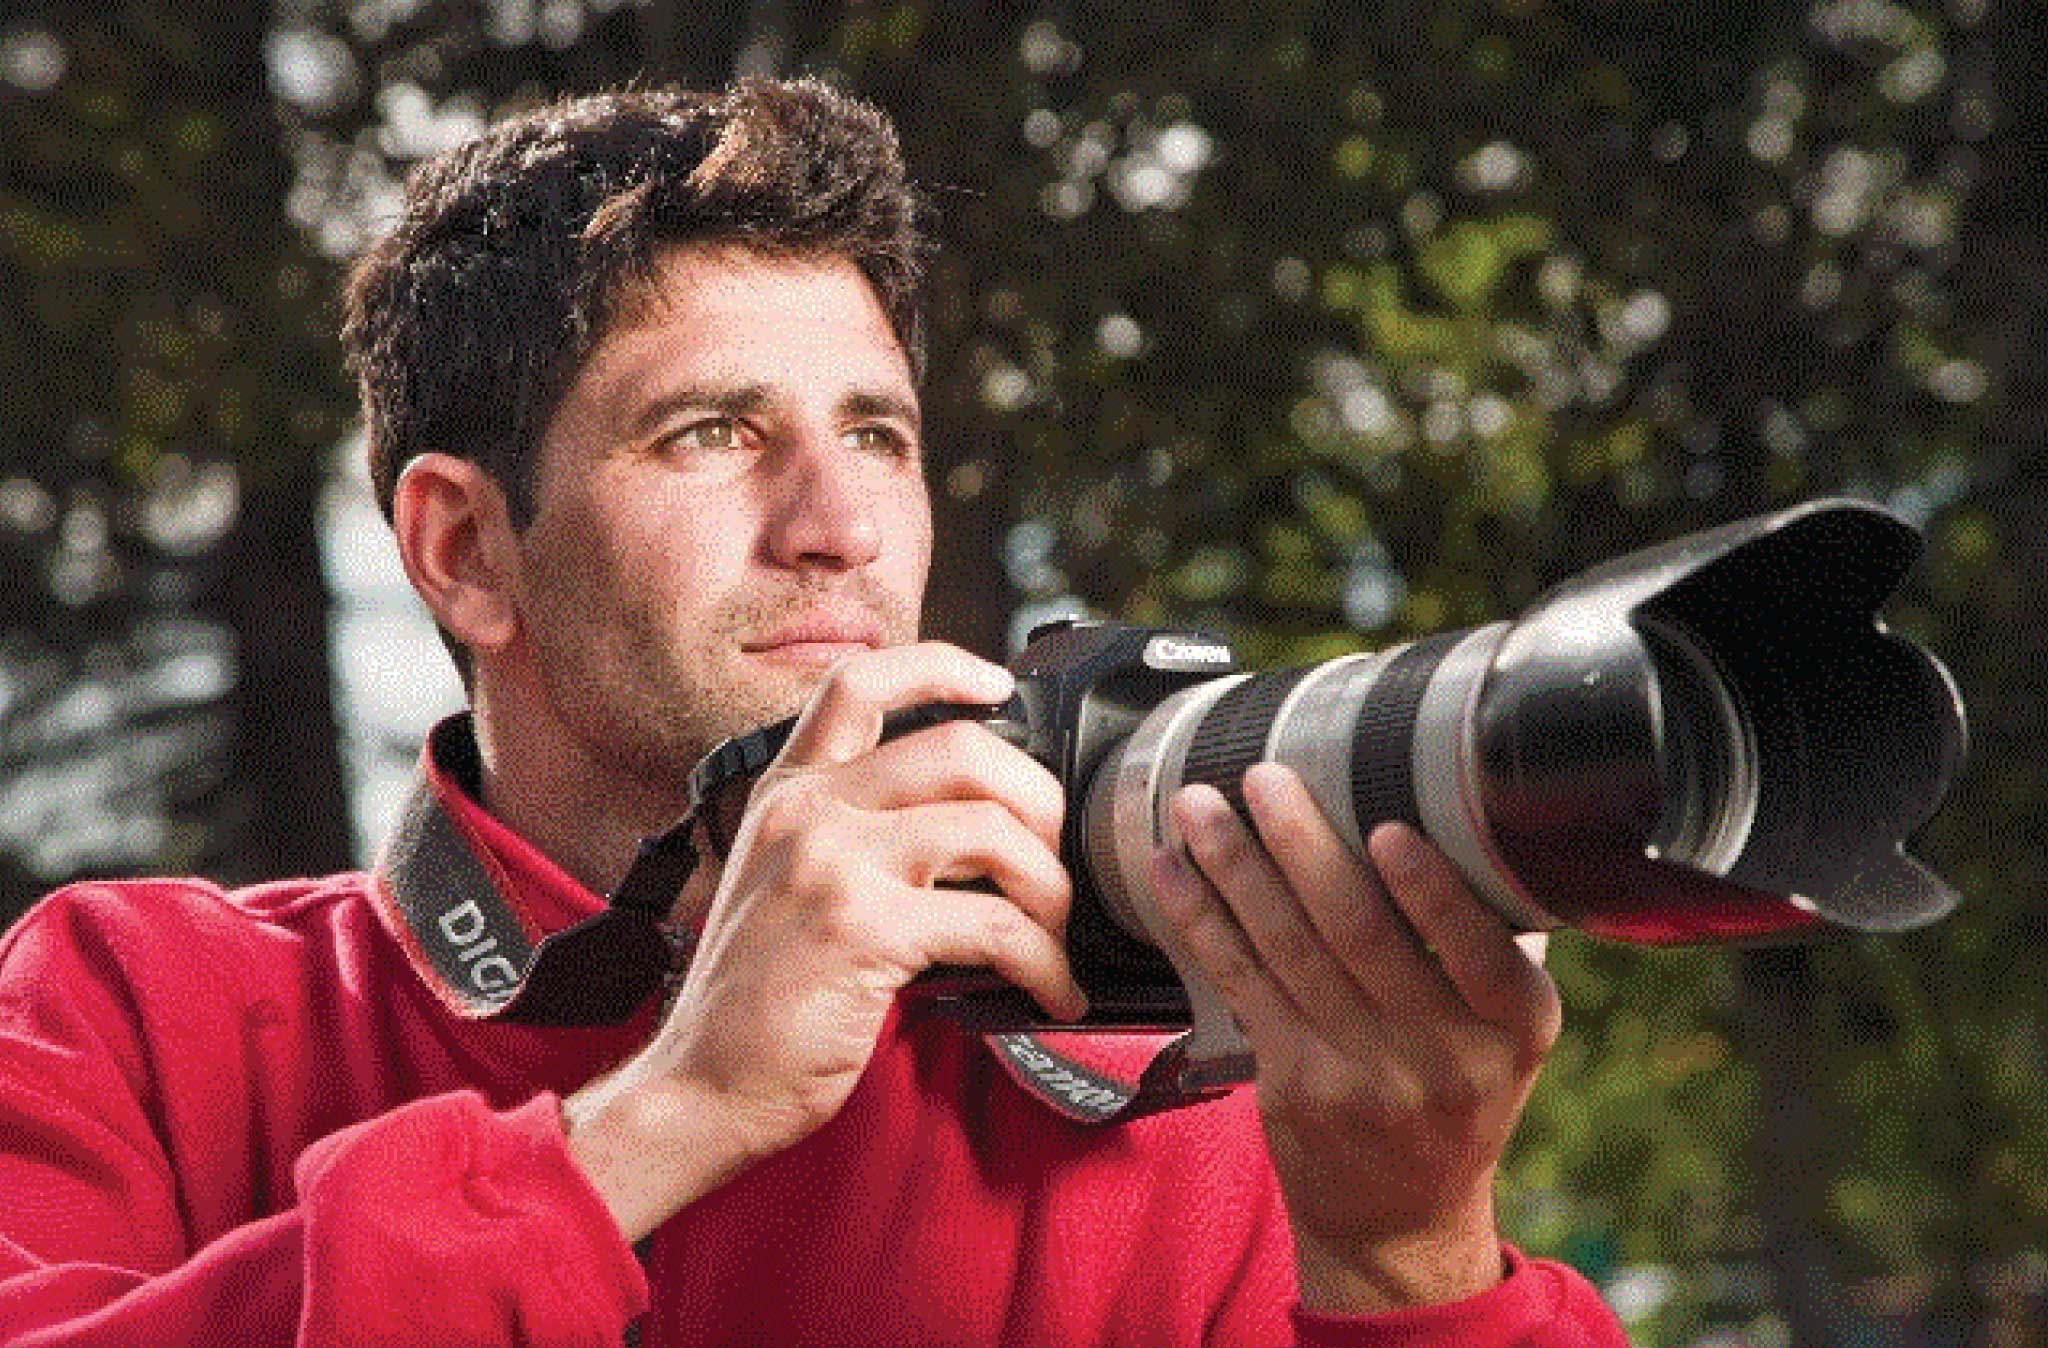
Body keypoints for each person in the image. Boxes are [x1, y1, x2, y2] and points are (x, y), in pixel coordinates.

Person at [0, 79, 1628, 1346]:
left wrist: (1412, 1259)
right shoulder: (145, 1012)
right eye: (712, 432)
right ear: (465, 549)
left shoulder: (1179, 1100)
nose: (838, 523)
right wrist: (678, 1108)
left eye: (880, 434)